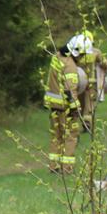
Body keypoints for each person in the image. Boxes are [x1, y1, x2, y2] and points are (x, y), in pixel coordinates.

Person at [43, 43, 83, 171]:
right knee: (70, 136)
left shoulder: (57, 57)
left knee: (56, 135)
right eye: (82, 55)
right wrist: (75, 108)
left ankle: (53, 166)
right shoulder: (70, 65)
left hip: (53, 104)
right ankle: (67, 167)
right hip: (65, 107)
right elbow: (69, 90)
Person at [71, 32, 107, 133]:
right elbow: (105, 64)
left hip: (79, 83)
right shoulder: (96, 52)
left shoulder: (76, 53)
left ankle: (82, 122)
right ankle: (87, 124)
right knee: (89, 104)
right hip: (91, 83)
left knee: (81, 104)